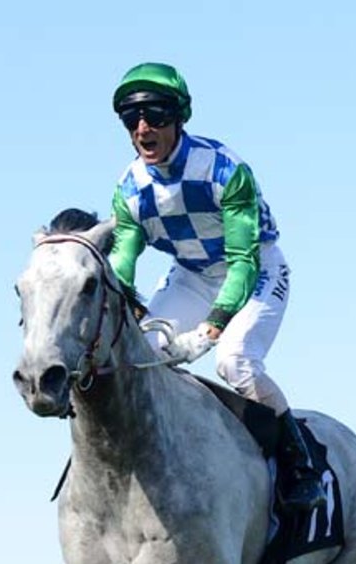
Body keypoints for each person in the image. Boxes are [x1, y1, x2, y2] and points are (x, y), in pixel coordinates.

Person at [109, 62, 325, 512]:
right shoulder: (129, 190)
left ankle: (300, 463)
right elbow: (122, 263)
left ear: (179, 118)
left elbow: (243, 262)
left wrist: (208, 331)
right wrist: (123, 305)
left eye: (156, 116)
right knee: (138, 356)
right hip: (191, 275)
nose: (143, 129)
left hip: (255, 270)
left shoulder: (224, 169)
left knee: (234, 361)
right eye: (132, 119)